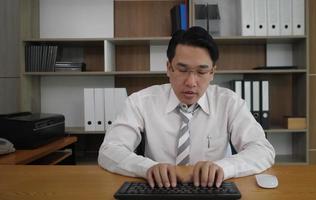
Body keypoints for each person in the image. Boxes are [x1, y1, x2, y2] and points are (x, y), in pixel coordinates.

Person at [98, 26, 275, 188]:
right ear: (168, 68)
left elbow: (262, 150)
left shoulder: (229, 102)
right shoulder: (140, 102)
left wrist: (222, 168)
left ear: (212, 72)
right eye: (182, 70)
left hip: (214, 190)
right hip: (159, 190)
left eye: (201, 71)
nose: (191, 82)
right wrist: (148, 168)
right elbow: (109, 151)